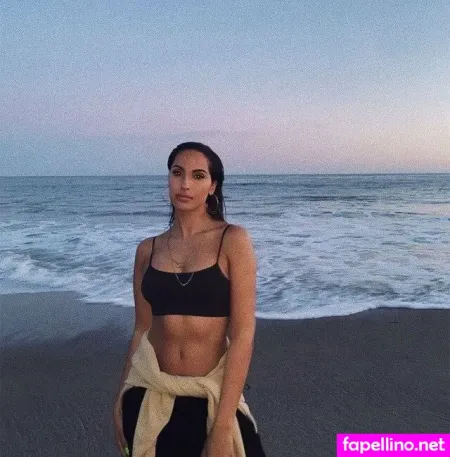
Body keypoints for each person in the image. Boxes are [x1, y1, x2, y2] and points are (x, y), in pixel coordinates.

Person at [112, 142, 266, 457]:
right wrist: (121, 397)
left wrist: (222, 428)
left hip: (209, 397)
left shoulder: (232, 240)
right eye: (177, 173)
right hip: (150, 391)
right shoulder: (148, 250)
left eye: (198, 176)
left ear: (213, 186)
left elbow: (243, 335)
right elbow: (141, 329)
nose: (185, 184)